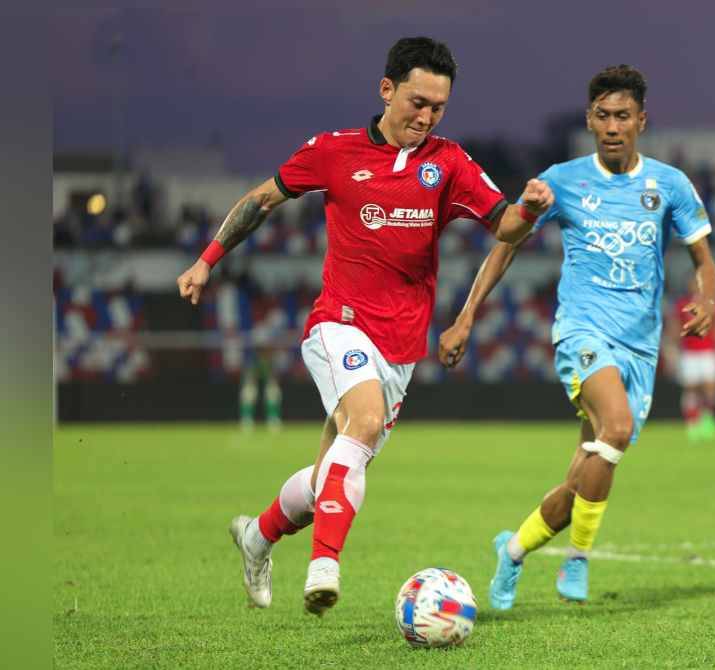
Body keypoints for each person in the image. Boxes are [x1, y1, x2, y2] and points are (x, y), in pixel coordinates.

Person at [176, 36, 553, 616]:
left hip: (401, 350)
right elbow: (262, 199)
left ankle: (257, 537)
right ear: (386, 90)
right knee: (365, 420)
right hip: (339, 323)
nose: (425, 117)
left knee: (333, 474)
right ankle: (324, 568)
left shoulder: (448, 163)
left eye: (438, 108)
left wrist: (527, 207)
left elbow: (504, 226)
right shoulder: (333, 151)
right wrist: (206, 259)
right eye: (416, 101)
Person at [437, 65, 715, 608]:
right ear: (590, 119)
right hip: (582, 331)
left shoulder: (670, 185)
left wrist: (706, 296)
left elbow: (704, 260)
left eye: (623, 116)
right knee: (615, 427)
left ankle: (513, 552)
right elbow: (506, 242)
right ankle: (578, 560)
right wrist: (468, 314)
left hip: (639, 344)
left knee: (582, 481)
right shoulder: (562, 181)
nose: (613, 127)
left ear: (641, 120)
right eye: (603, 116)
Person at [665, 275, 715, 442]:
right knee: (691, 388)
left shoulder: (712, 304)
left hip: (709, 351)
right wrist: (671, 348)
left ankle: (707, 418)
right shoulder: (681, 304)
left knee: (711, 389)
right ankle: (692, 423)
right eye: (693, 282)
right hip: (689, 353)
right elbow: (674, 327)